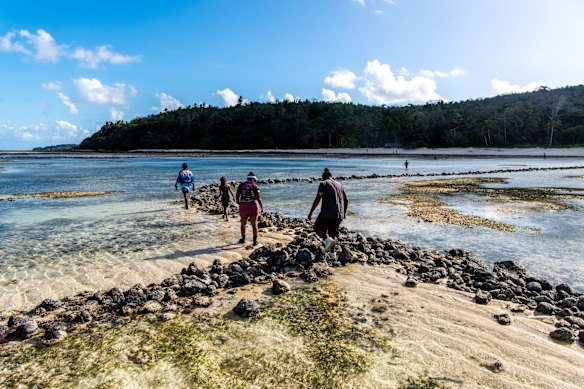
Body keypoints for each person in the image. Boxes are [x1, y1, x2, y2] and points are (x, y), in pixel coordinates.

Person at [307, 168, 349, 260]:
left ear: (323, 177)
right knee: (332, 232)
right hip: (339, 214)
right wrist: (344, 213)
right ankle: (332, 255)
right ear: (331, 176)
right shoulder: (339, 185)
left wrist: (311, 212)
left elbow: (318, 198)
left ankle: (327, 239)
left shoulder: (324, 183)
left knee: (317, 227)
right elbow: (346, 200)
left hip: (327, 213)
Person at [236, 171, 264, 245]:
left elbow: (237, 195)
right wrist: (261, 207)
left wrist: (238, 202)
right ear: (253, 179)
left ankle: (243, 239)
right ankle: (255, 241)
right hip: (253, 206)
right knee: (254, 224)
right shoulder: (254, 186)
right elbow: (259, 198)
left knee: (243, 224)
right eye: (255, 180)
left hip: (243, 206)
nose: (255, 182)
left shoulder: (241, 185)